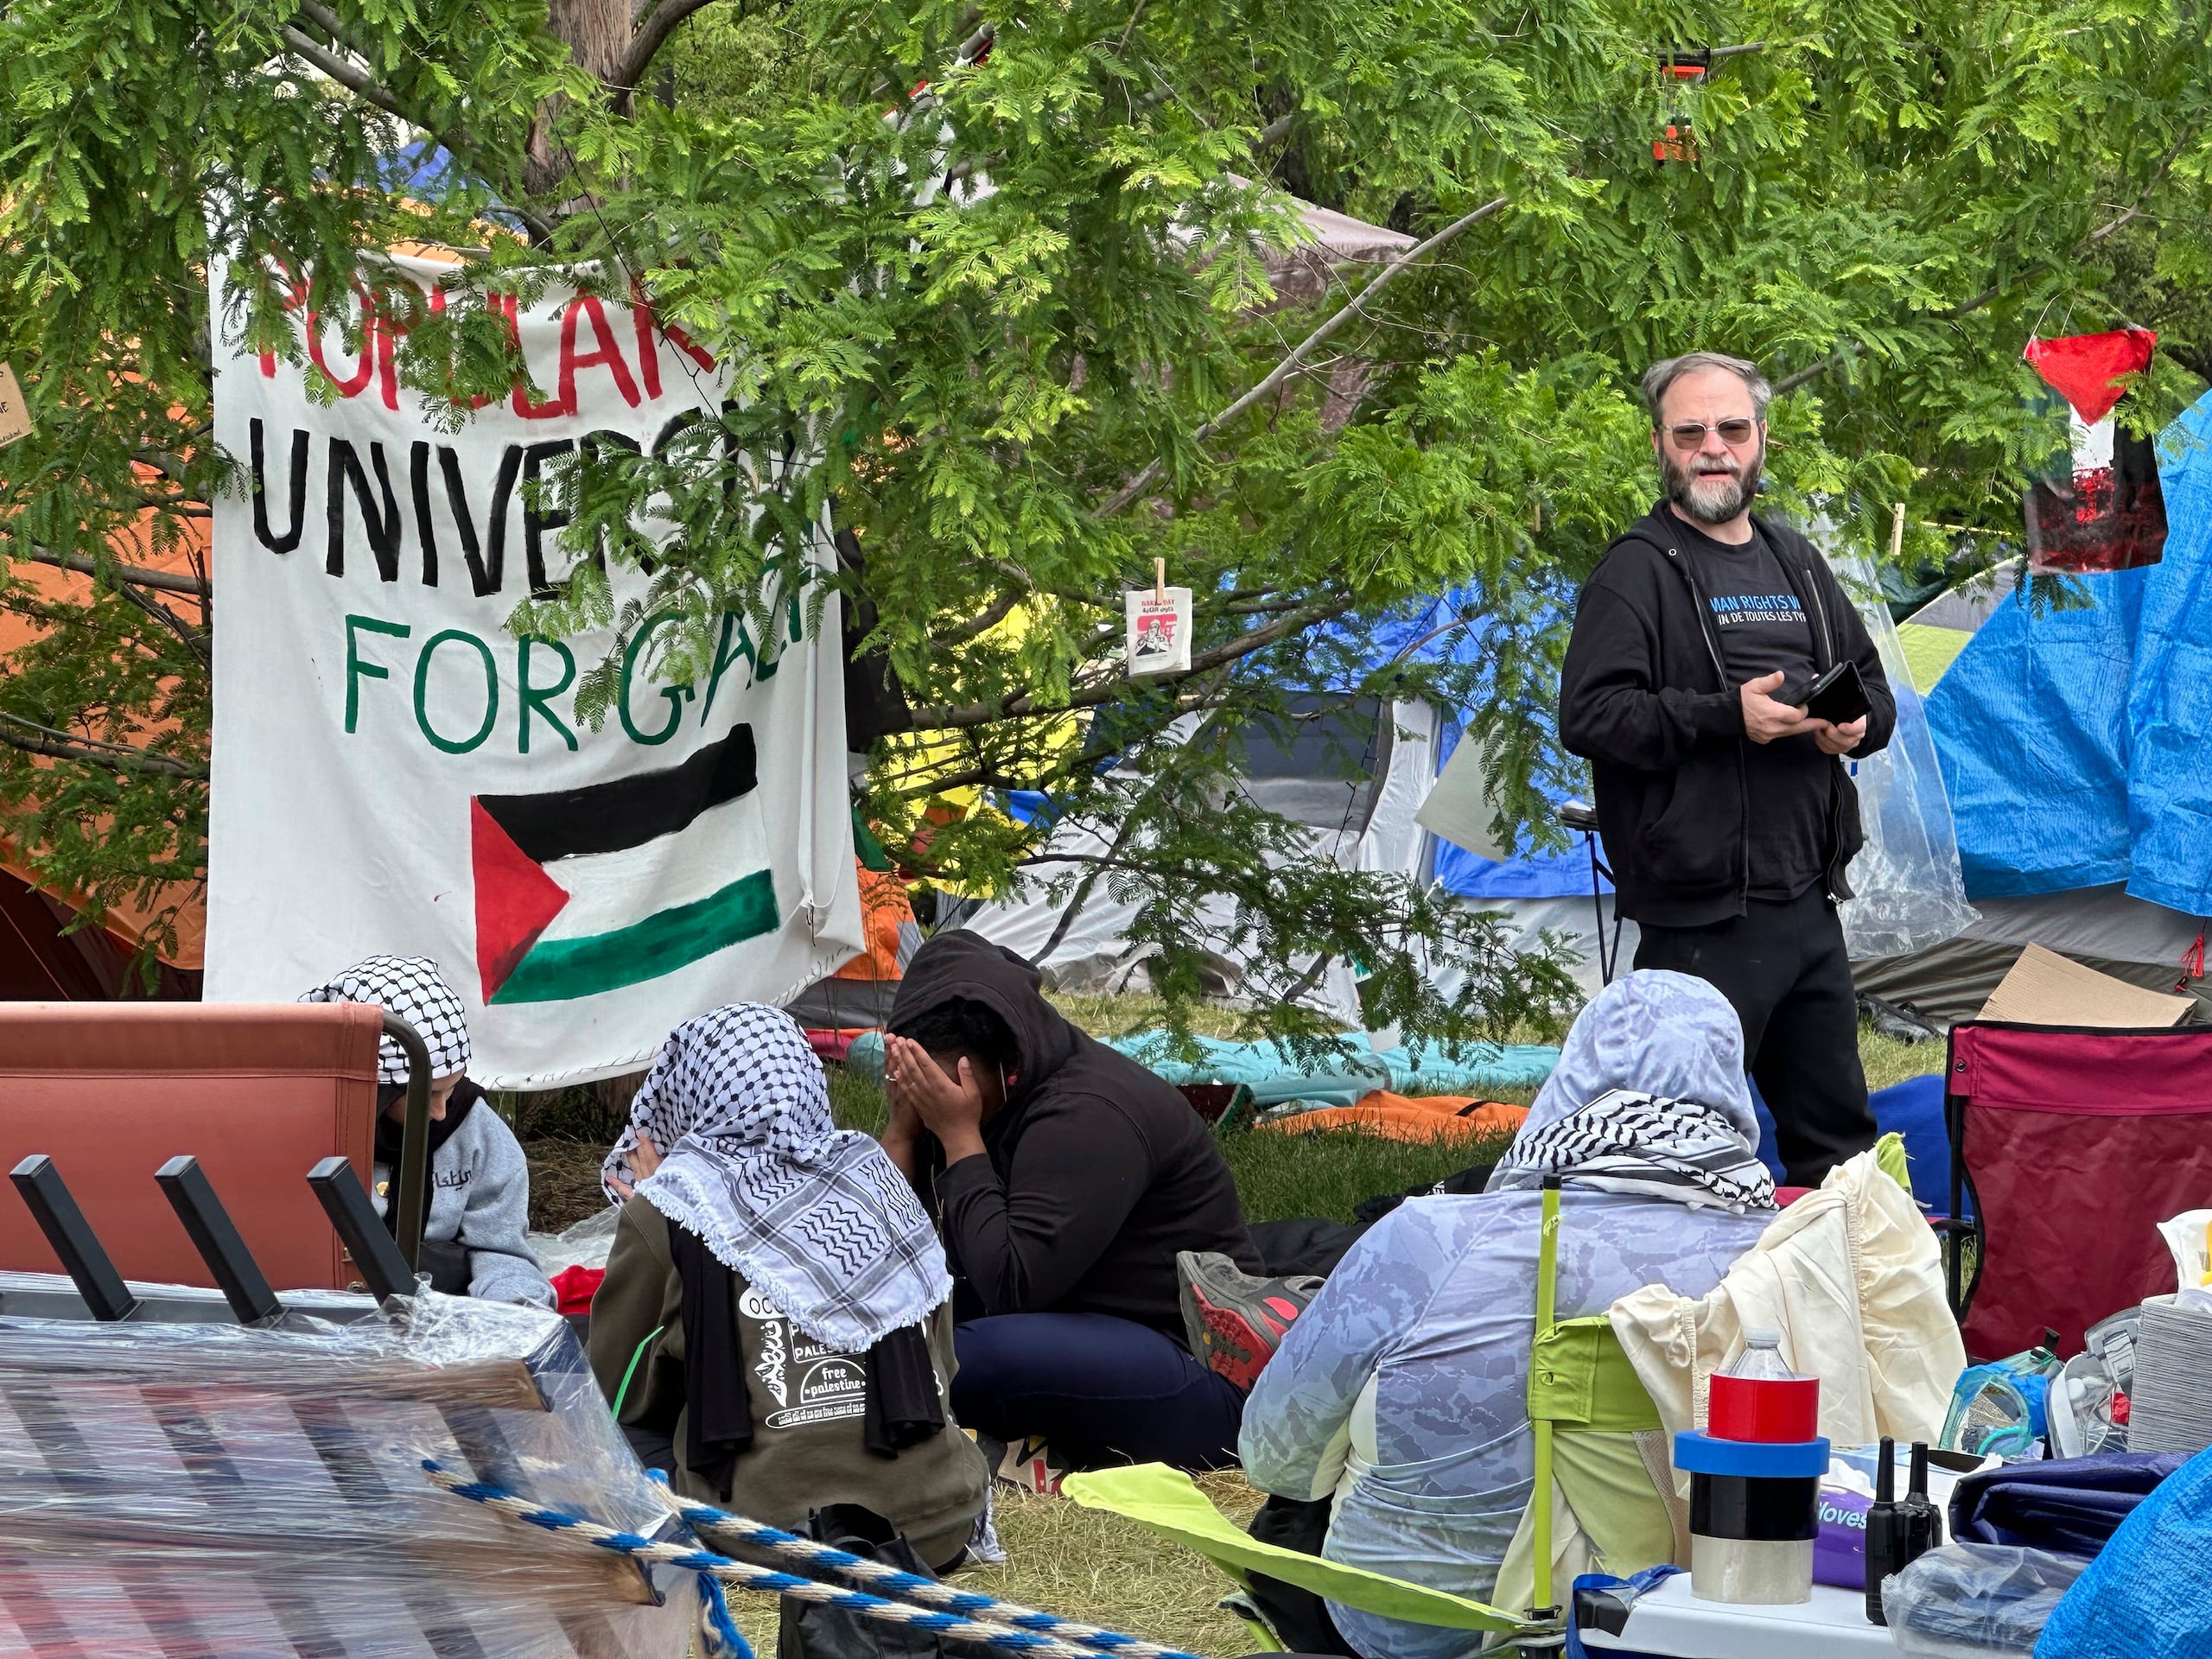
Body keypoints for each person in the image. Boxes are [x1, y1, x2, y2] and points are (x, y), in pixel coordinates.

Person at [1240, 971, 1778, 1659]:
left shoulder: (1430, 1239)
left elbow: (1278, 1459)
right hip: (1679, 1622)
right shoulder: (1783, 1258)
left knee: (1291, 1513)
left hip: (1416, 1627)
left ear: (1573, 1075)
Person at [1557, 351, 1897, 1187]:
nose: (1713, 447)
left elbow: (1877, 690)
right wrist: (1725, 716)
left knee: (1840, 1150)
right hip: (1698, 915)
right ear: (1660, 447)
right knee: (1672, 1149)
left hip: (1808, 901)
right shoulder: (1636, 568)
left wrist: (1855, 725)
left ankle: (1842, 1305)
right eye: (1691, 432)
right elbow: (1591, 717)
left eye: (1731, 429)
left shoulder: (1796, 562)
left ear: (1760, 441)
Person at [587, 1003, 988, 1569]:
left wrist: (657, 1216)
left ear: (691, 1091)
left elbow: (615, 1390)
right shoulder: (876, 1179)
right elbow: (941, 1368)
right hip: (938, 1525)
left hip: (770, 1535)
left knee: (614, 1438)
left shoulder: (669, 1210)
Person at [880, 929, 1263, 1476]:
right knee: (882, 1337)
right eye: (913, 1082)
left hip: (1193, 1370)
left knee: (943, 1359)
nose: (932, 1101)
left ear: (1005, 1062)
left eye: (941, 1087)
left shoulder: (1087, 1114)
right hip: (1069, 1327)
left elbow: (1013, 1287)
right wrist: (902, 1136)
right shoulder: (997, 1097)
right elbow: (886, 1265)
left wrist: (960, 1137)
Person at [302, 955, 551, 1306]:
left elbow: (501, 1254)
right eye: (428, 1094)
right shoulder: (304, 1130)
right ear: (376, 1089)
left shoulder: (475, 1132)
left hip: (441, 1315)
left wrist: (512, 1314)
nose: (440, 1112)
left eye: (451, 1089)